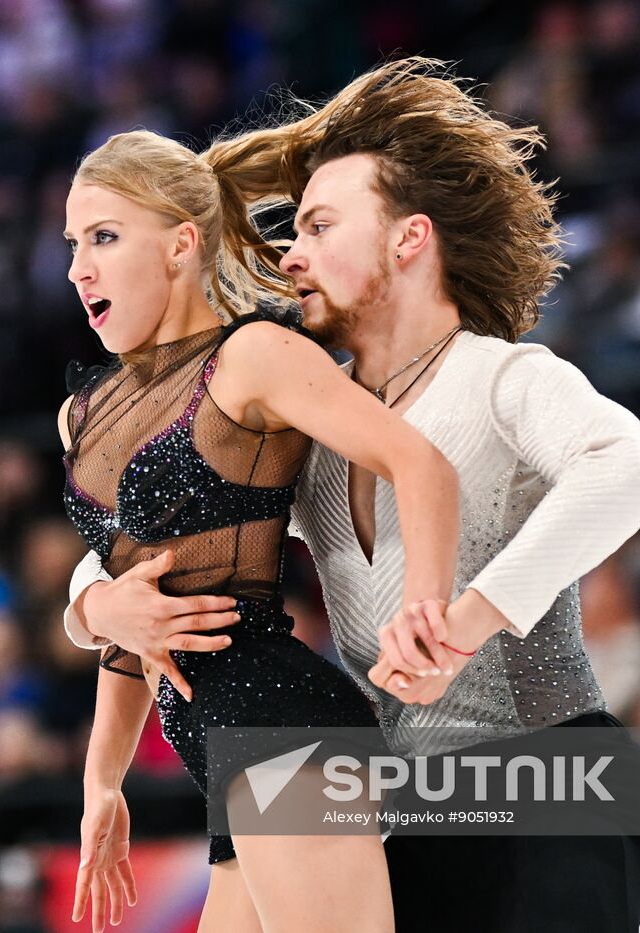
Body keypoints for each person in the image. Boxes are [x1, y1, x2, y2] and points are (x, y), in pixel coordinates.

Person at [65, 58, 640, 931]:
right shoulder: (314, 428)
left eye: (317, 225)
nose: (289, 253)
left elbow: (629, 469)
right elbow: (141, 530)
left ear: (408, 238)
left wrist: (465, 618)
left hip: (556, 778)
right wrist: (95, 606)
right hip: (416, 800)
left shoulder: (502, 376)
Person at [59, 128, 462, 932]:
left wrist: (425, 615)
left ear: (180, 245)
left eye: (104, 237)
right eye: (73, 244)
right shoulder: (82, 414)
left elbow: (421, 466)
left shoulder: (251, 358)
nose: (79, 267)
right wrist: (102, 782)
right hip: (225, 746)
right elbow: (136, 606)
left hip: (283, 725)